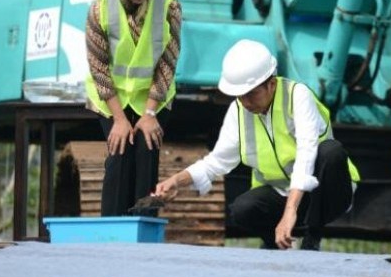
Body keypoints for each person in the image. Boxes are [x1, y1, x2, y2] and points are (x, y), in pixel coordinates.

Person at [154, 39, 360, 251]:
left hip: (326, 192)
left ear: (271, 84)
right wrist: (176, 181)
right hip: (282, 192)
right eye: (240, 96)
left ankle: (312, 238)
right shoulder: (238, 111)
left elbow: (307, 152)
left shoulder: (297, 96)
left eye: (251, 94)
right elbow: (217, 161)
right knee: (243, 209)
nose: (245, 102)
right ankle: (276, 245)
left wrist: (291, 211)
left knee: (330, 151)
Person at [85, 0, 182, 216]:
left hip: (152, 97)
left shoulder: (170, 8)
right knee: (119, 157)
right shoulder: (99, 8)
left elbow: (168, 63)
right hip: (110, 98)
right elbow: (99, 67)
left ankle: (143, 226)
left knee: (146, 151)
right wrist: (118, 119)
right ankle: (112, 229)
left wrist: (149, 114)